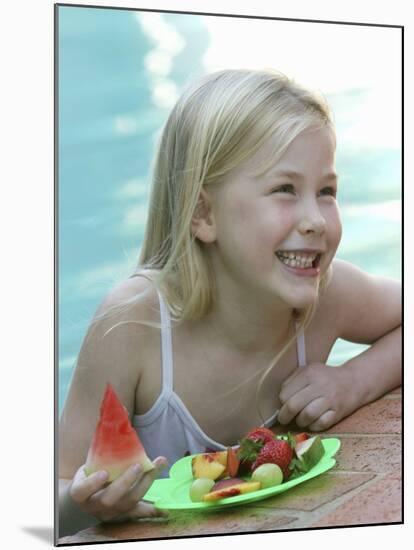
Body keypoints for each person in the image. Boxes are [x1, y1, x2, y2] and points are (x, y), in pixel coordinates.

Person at [58, 68, 401, 536]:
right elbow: (50, 496)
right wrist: (87, 502)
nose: (316, 220)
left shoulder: (329, 295)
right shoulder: (133, 324)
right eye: (285, 189)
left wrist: (355, 380)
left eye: (326, 191)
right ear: (204, 214)